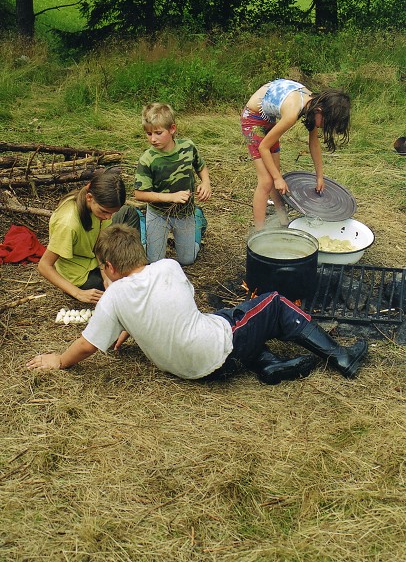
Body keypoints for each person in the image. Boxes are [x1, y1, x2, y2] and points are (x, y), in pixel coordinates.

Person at [28, 224, 368, 384]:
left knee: (224, 317)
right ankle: (340, 355)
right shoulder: (169, 266)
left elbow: (87, 344)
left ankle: (268, 366)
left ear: (111, 267)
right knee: (274, 303)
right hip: (218, 353)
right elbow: (169, 304)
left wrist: (60, 359)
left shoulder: (114, 298)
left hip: (186, 371)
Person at [241, 79, 351, 230]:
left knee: (274, 172)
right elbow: (264, 148)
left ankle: (283, 222)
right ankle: (259, 233)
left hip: (269, 118)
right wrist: (277, 178)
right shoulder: (293, 112)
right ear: (320, 110)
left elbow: (314, 143)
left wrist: (319, 176)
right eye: (325, 123)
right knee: (267, 180)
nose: (324, 127)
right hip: (253, 118)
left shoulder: (313, 105)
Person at [38, 167, 142, 305]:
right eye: (104, 212)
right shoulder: (68, 223)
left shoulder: (99, 210)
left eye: (112, 213)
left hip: (97, 256)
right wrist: (78, 293)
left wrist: (105, 274)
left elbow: (98, 241)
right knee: (113, 289)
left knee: (128, 212)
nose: (108, 217)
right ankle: (125, 271)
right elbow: (44, 265)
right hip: (80, 271)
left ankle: (130, 264)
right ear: (89, 198)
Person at [134, 102, 212, 265]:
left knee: (187, 259)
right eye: (148, 134)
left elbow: (201, 166)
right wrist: (171, 197)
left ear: (172, 129)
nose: (153, 139)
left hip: (185, 213)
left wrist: (206, 183)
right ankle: (142, 223)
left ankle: (197, 217)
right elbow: (139, 194)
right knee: (153, 261)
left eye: (158, 133)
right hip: (158, 214)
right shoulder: (147, 160)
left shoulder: (188, 147)